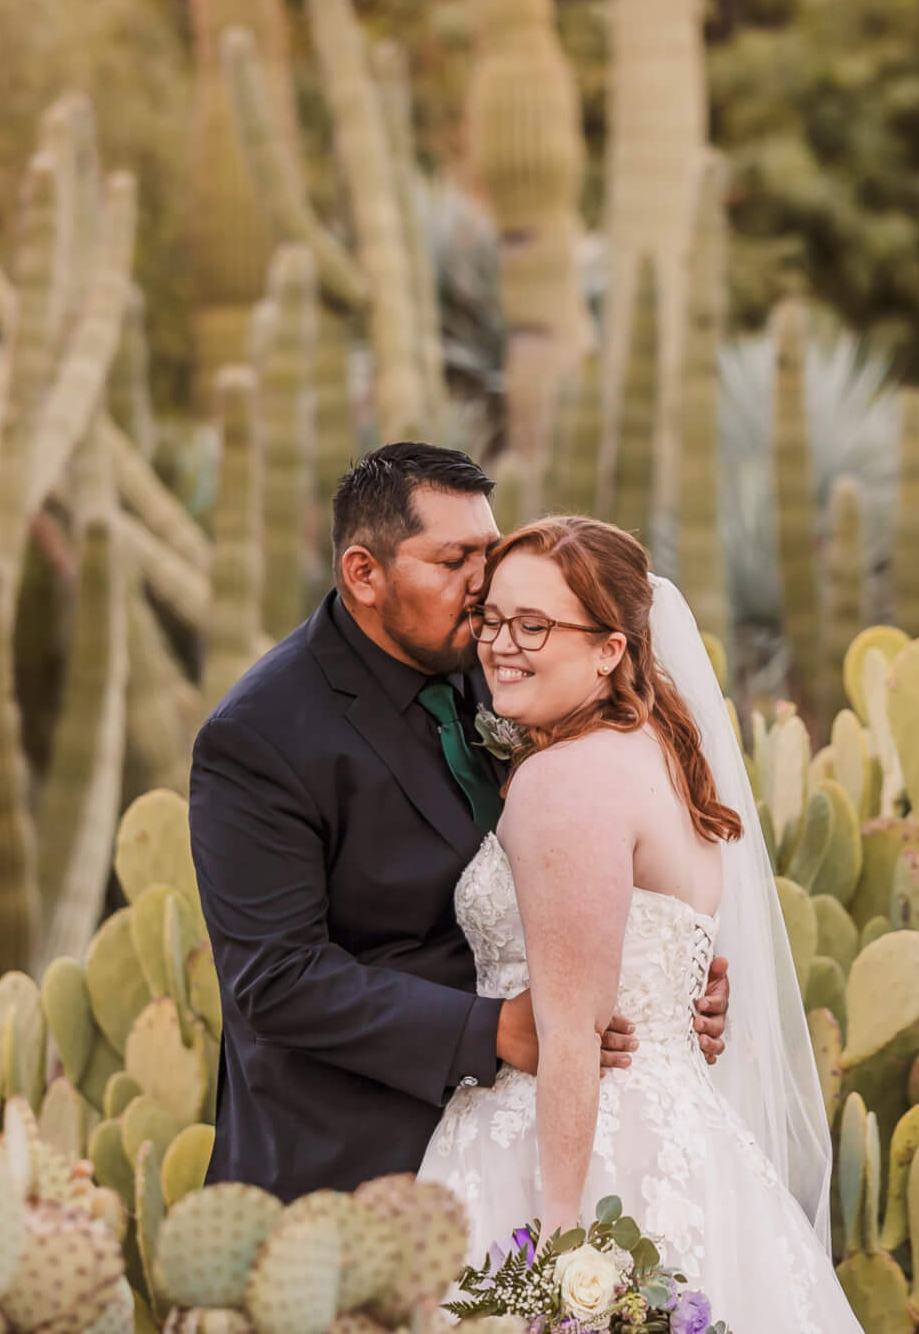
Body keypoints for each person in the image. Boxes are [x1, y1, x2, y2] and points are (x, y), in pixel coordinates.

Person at [188, 444, 730, 1199]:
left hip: (536, 1132)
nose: (483, 590)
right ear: (363, 575)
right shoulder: (260, 736)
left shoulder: (507, 665)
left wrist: (661, 974)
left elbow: (595, 838)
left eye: (490, 552)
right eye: (453, 563)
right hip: (353, 1165)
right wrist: (493, 1030)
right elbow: (276, 979)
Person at [417, 515, 861, 1333]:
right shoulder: (661, 750)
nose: (500, 645)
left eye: (535, 625)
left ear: (609, 650)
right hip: (685, 1146)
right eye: (494, 619)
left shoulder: (563, 780)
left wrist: (557, 1253)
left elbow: (571, 1032)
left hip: (568, 1155)